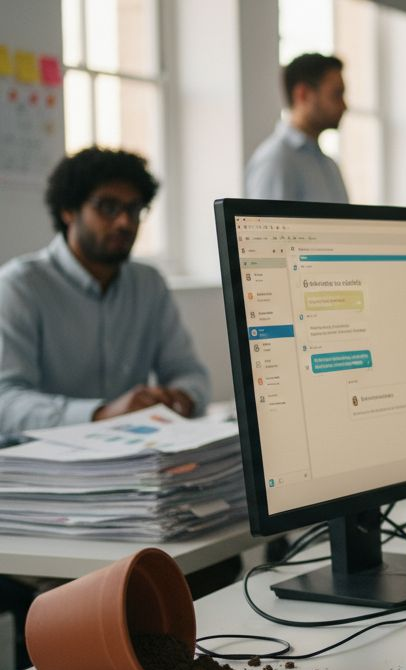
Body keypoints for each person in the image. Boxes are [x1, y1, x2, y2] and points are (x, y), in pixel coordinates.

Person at [0, 148, 210, 434]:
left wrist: (179, 398)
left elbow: (189, 372)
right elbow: (6, 401)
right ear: (68, 210)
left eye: (134, 209)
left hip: (136, 453)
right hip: (46, 462)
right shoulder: (20, 286)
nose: (124, 222)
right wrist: (100, 414)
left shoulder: (149, 284)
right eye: (107, 207)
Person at [245, 53, 349, 203]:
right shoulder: (275, 161)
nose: (345, 106)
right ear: (303, 94)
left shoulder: (329, 165)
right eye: (336, 95)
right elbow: (268, 226)